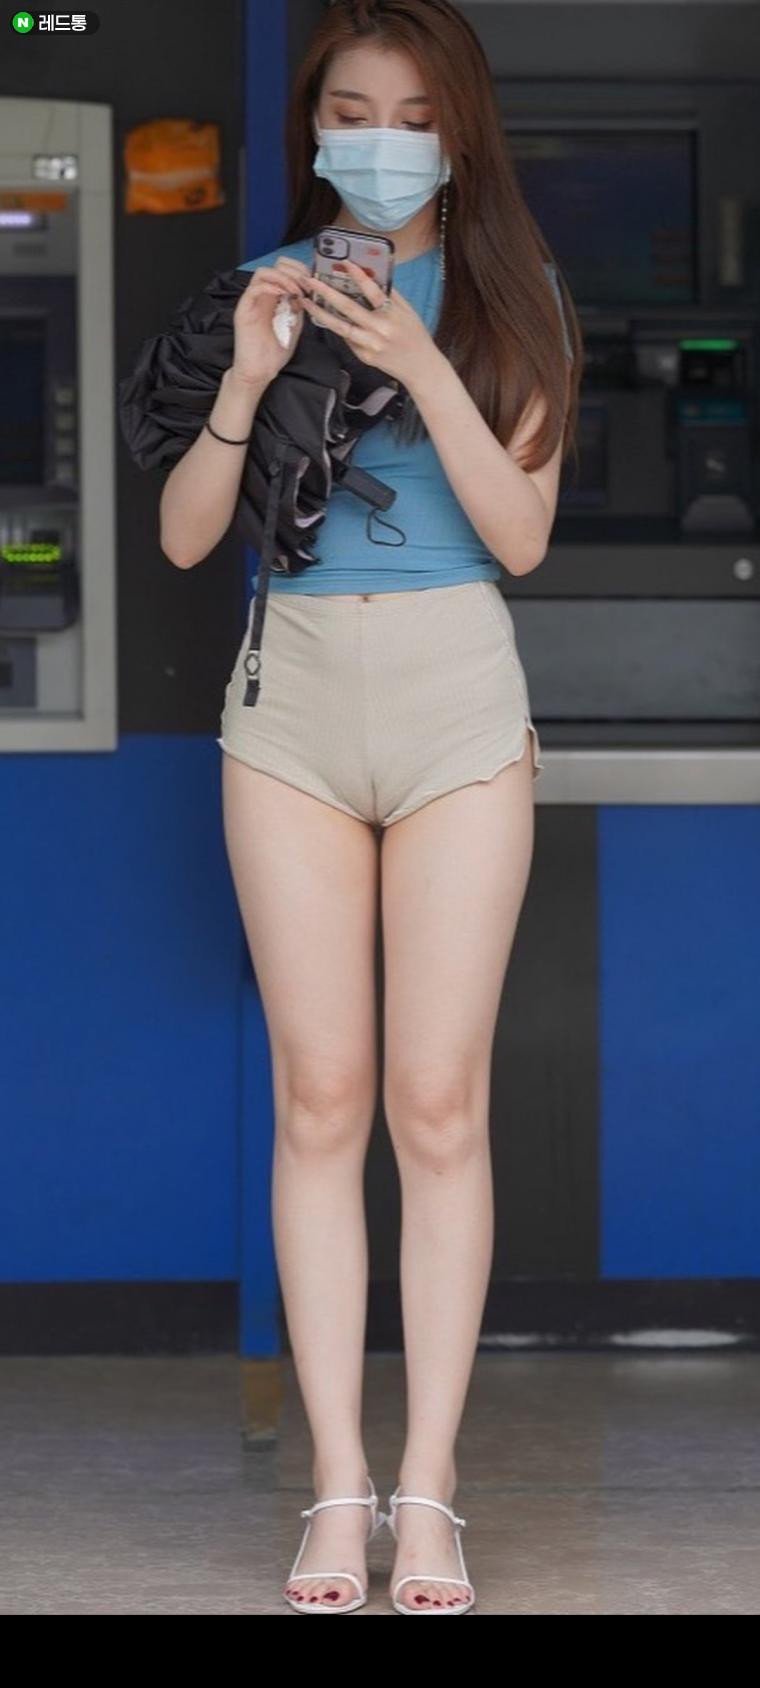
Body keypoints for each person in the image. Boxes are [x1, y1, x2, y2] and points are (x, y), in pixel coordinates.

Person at [160, 0, 579, 1617]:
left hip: (457, 704)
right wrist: (247, 375)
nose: (382, 140)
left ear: (459, 133)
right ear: (314, 126)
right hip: (291, 710)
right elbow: (189, 537)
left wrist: (414, 359)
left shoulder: (514, 292)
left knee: (438, 1103)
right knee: (321, 1099)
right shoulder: (258, 288)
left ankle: (432, 1487)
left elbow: (522, 536)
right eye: (353, 110)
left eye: (414, 115)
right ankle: (338, 1486)